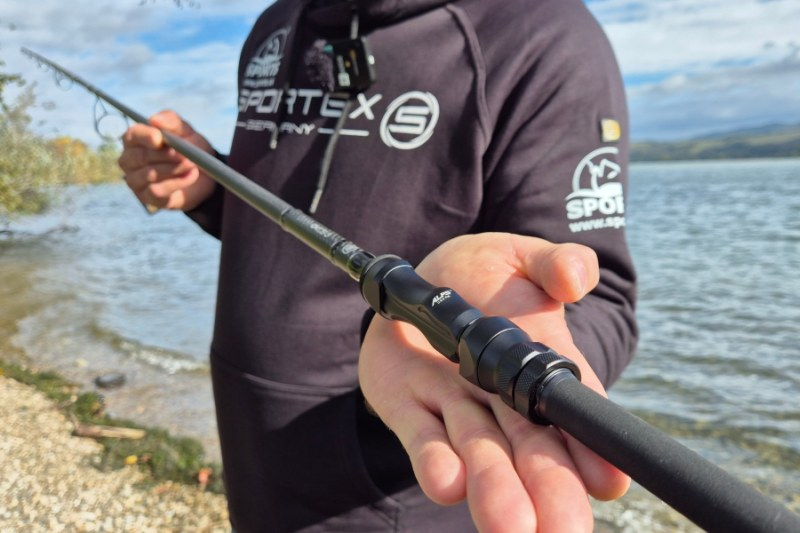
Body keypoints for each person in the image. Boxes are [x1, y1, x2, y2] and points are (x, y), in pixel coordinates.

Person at [118, 0, 638, 531]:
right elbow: (289, 227)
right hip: (250, 453)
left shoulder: (546, 36)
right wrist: (209, 192)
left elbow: (599, 302)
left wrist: (492, 362)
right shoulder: (272, 26)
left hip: (393, 494)